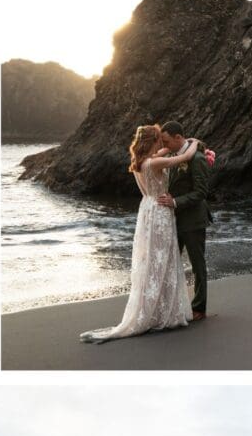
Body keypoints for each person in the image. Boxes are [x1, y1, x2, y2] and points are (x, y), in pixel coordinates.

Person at [80, 124, 195, 342]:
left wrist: (167, 148)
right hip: (160, 212)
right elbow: (184, 157)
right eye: (159, 140)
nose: (162, 144)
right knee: (162, 259)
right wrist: (194, 143)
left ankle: (154, 309)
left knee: (150, 259)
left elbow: (163, 154)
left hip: (147, 210)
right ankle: (162, 312)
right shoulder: (155, 162)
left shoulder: (140, 163)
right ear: (152, 141)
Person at [157, 120, 212, 320]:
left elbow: (201, 192)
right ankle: (174, 305)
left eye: (167, 141)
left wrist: (175, 202)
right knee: (171, 263)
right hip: (175, 220)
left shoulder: (197, 158)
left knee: (198, 265)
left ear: (178, 138)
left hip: (194, 220)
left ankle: (199, 308)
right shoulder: (173, 155)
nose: (165, 145)